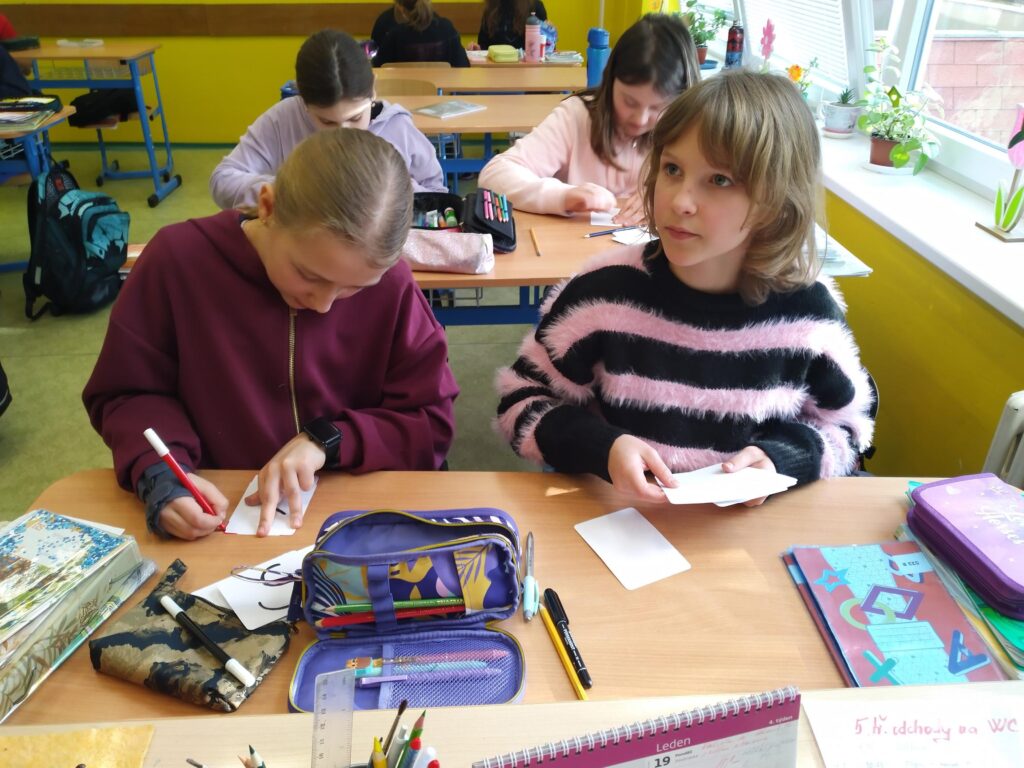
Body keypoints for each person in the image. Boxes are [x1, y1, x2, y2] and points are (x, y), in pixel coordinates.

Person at [495, 71, 875, 505]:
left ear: (775, 201)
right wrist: (602, 448)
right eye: (672, 169)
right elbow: (519, 398)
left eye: (719, 180)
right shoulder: (603, 292)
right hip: (617, 522)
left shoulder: (808, 316)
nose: (679, 201)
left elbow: (847, 427)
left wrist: (782, 460)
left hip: (743, 536)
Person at [86, 129, 459, 540]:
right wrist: (161, 473)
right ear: (267, 206)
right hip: (223, 520)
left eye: (354, 288)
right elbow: (127, 394)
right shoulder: (177, 261)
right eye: (308, 275)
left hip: (352, 520)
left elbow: (429, 421)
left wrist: (329, 441)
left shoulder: (393, 285)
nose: (323, 305)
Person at [478, 14, 699, 225]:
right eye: (630, 102)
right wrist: (563, 196)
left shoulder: (689, 131)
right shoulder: (577, 117)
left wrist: (659, 199)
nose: (640, 120)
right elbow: (494, 175)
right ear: (610, 81)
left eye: (658, 108)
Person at [210, 29, 446, 210]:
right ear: (304, 102)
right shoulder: (284, 120)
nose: (343, 133)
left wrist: (393, 192)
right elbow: (222, 180)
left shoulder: (397, 127)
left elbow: (437, 194)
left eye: (356, 117)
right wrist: (291, 189)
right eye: (327, 122)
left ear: (373, 89)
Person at [371, 0, 470, 68]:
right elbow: (463, 65)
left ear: (401, 9)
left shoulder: (393, 35)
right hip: (442, 91)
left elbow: (377, 67)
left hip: (402, 91)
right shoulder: (447, 29)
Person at [476, 0, 547, 51]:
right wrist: (477, 49)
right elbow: (483, 45)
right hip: (496, 64)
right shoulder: (491, 7)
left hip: (528, 64)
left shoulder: (535, 6)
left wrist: (549, 34)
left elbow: (546, 46)